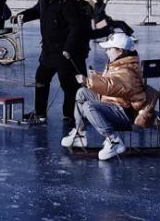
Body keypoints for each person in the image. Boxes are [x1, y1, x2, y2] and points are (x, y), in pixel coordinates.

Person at [62, 30, 152, 161]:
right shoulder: (118, 64)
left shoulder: (128, 70)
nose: (106, 51)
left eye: (109, 49)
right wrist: (95, 77)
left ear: (120, 51)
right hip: (113, 104)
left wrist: (88, 81)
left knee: (89, 106)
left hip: (124, 113)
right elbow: (111, 83)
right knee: (82, 93)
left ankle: (114, 141)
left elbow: (112, 86)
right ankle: (79, 134)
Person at [12, 0, 88, 125]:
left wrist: (68, 48)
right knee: (41, 79)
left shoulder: (67, 2)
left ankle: (69, 115)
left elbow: (76, 27)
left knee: (68, 84)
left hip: (65, 51)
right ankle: (40, 114)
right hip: (48, 49)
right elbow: (37, 11)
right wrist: (22, 16)